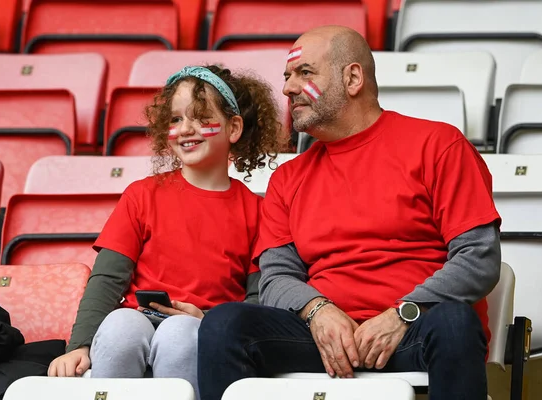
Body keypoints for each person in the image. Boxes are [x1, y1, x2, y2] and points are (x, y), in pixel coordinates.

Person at [197, 26, 502, 400]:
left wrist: (402, 314)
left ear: (353, 78)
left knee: (455, 321)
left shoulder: (438, 145)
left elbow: (479, 257)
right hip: (321, 339)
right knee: (223, 324)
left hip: (412, 333)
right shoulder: (288, 178)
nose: (289, 89)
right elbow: (275, 278)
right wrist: (317, 310)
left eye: (305, 73)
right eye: (287, 77)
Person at [47, 65, 284, 399]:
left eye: (201, 118)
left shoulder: (257, 212)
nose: (185, 129)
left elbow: (258, 299)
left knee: (180, 332)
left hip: (202, 329)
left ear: (233, 128)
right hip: (136, 318)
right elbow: (107, 279)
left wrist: (208, 318)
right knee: (120, 327)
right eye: (175, 119)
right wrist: (80, 345)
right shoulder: (142, 195)